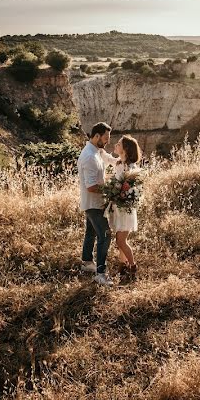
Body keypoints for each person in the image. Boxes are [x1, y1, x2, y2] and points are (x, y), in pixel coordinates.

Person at [77, 121, 118, 286]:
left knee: (91, 233)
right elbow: (92, 186)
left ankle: (87, 263)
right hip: (93, 204)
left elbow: (109, 158)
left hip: (95, 203)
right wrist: (112, 189)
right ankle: (101, 274)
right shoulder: (89, 157)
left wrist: (123, 162)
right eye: (106, 138)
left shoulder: (97, 150)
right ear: (96, 136)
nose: (108, 141)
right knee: (105, 235)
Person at [107, 135, 141, 279]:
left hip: (126, 208)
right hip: (118, 208)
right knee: (119, 239)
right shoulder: (120, 164)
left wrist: (122, 193)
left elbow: (134, 191)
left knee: (121, 240)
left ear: (125, 149)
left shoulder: (132, 168)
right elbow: (108, 160)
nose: (116, 144)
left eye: (119, 144)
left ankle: (133, 266)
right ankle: (123, 267)